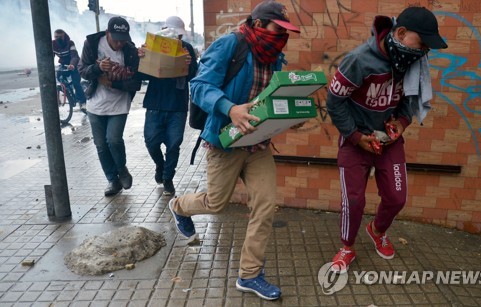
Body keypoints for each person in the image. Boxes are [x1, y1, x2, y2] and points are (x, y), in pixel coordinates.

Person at [168, 0, 300, 301]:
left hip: (257, 144)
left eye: (285, 31)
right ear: (258, 25)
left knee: (265, 206)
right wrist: (230, 108)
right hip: (224, 143)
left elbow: (267, 99)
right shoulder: (231, 45)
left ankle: (249, 274)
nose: (281, 36)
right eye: (277, 29)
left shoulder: (275, 57)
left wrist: (286, 117)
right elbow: (199, 87)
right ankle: (179, 206)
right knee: (216, 203)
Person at [326, 6, 448, 273]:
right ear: (401, 33)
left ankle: (377, 230)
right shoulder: (358, 60)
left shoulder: (411, 61)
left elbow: (409, 99)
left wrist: (402, 123)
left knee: (396, 198)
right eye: (423, 43)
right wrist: (356, 136)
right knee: (354, 201)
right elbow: (334, 103)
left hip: (389, 143)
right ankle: (347, 247)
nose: (425, 51)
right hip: (355, 141)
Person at [78, 17, 142, 196]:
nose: (120, 43)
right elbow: (82, 70)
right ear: (107, 34)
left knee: (113, 140)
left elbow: (136, 83)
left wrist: (114, 84)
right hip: (95, 104)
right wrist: (98, 68)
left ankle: (122, 170)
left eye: (123, 39)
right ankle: (112, 181)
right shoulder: (92, 44)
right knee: (101, 145)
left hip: (119, 104)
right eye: (116, 39)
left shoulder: (130, 51)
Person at [137, 16, 198, 196]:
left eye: (179, 36)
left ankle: (168, 178)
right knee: (151, 141)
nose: (177, 39)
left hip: (177, 106)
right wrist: (140, 57)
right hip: (155, 103)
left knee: (174, 144)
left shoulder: (187, 49)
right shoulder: (152, 45)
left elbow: (193, 77)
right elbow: (140, 76)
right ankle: (160, 166)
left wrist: (188, 66)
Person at [52, 29, 87, 111]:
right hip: (64, 65)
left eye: (60, 37)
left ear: (64, 36)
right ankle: (68, 92)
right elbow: (50, 56)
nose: (58, 38)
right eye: (56, 37)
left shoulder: (70, 43)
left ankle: (83, 102)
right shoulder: (53, 44)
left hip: (75, 64)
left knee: (76, 83)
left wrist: (72, 65)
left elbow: (74, 56)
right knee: (59, 78)